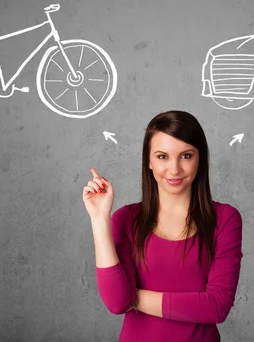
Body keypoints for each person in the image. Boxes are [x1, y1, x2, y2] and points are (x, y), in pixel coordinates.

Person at [82, 110, 243, 342]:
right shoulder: (125, 219)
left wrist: (133, 298)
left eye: (186, 156)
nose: (174, 169)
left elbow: (217, 307)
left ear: (200, 159)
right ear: (148, 160)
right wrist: (99, 218)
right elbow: (117, 303)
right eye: (162, 156)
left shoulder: (225, 219)